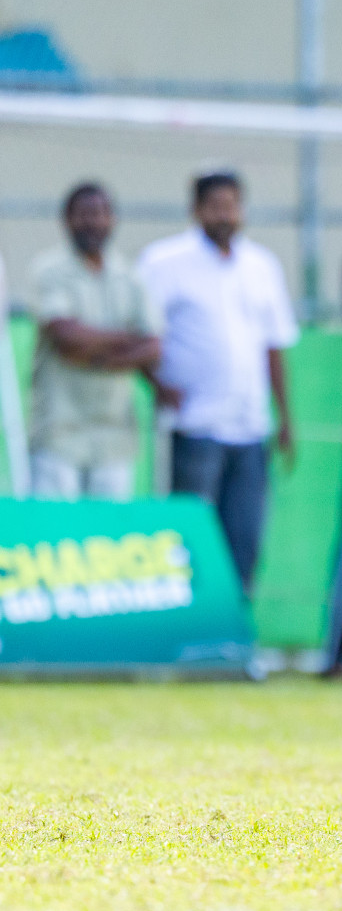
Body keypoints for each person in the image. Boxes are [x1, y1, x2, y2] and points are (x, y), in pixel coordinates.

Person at [139, 171, 298, 594]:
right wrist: (157, 386)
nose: (224, 215)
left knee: (244, 538)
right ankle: (191, 636)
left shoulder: (262, 265)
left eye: (232, 205)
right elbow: (141, 336)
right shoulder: (165, 262)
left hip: (250, 426)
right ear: (196, 210)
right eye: (215, 205)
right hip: (195, 423)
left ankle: (235, 642)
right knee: (190, 538)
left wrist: (284, 417)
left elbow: (274, 345)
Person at [26, 183, 161, 500]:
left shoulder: (129, 275)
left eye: (100, 214)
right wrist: (128, 342)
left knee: (108, 540)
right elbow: (65, 337)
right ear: (66, 220)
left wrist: (96, 355)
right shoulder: (49, 270)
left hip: (114, 436)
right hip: (59, 433)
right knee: (56, 537)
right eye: (83, 214)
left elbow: (154, 346)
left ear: (112, 219)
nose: (92, 222)